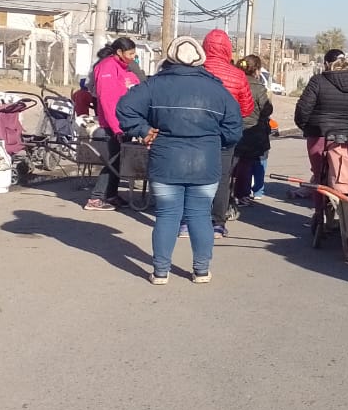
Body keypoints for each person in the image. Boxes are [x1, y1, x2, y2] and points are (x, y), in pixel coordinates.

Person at [116, 36, 242, 284]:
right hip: (206, 163)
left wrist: (143, 130)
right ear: (199, 60)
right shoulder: (218, 90)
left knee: (167, 215)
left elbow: (124, 108)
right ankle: (201, 270)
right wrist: (216, 142)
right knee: (200, 215)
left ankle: (161, 272)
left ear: (171, 57)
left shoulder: (154, 86)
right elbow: (234, 129)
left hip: (165, 160)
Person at [200, 30, 254, 236]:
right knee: (222, 177)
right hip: (225, 133)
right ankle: (217, 221)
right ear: (228, 49)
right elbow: (246, 108)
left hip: (197, 132)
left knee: (194, 175)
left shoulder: (197, 70)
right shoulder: (238, 75)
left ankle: (189, 219)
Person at [294, 48, 348, 188]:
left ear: (326, 63)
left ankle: (319, 209)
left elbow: (303, 109)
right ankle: (341, 206)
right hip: (347, 138)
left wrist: (307, 127)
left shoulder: (318, 81)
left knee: (319, 176)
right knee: (343, 175)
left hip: (319, 135)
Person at [84, 36, 140, 211]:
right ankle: (96, 197)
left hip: (125, 121)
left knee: (119, 160)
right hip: (113, 124)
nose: (133, 56)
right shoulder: (107, 68)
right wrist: (117, 128)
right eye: (130, 53)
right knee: (112, 160)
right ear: (119, 52)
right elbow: (108, 102)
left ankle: (111, 194)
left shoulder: (124, 68)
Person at [232, 55, 273, 207]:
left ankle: (227, 193)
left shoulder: (233, 82)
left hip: (232, 128)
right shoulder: (258, 87)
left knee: (230, 163)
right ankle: (242, 194)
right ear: (256, 70)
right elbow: (267, 109)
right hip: (252, 131)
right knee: (245, 165)